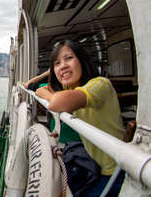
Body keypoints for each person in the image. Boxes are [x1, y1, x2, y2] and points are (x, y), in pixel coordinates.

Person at [36, 40, 125, 196]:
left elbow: (56, 102)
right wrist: (48, 91)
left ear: (82, 60)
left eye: (69, 58)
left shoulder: (100, 84)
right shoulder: (72, 88)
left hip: (114, 172)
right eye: (57, 63)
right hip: (94, 165)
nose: (62, 66)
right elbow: (39, 89)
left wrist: (48, 95)